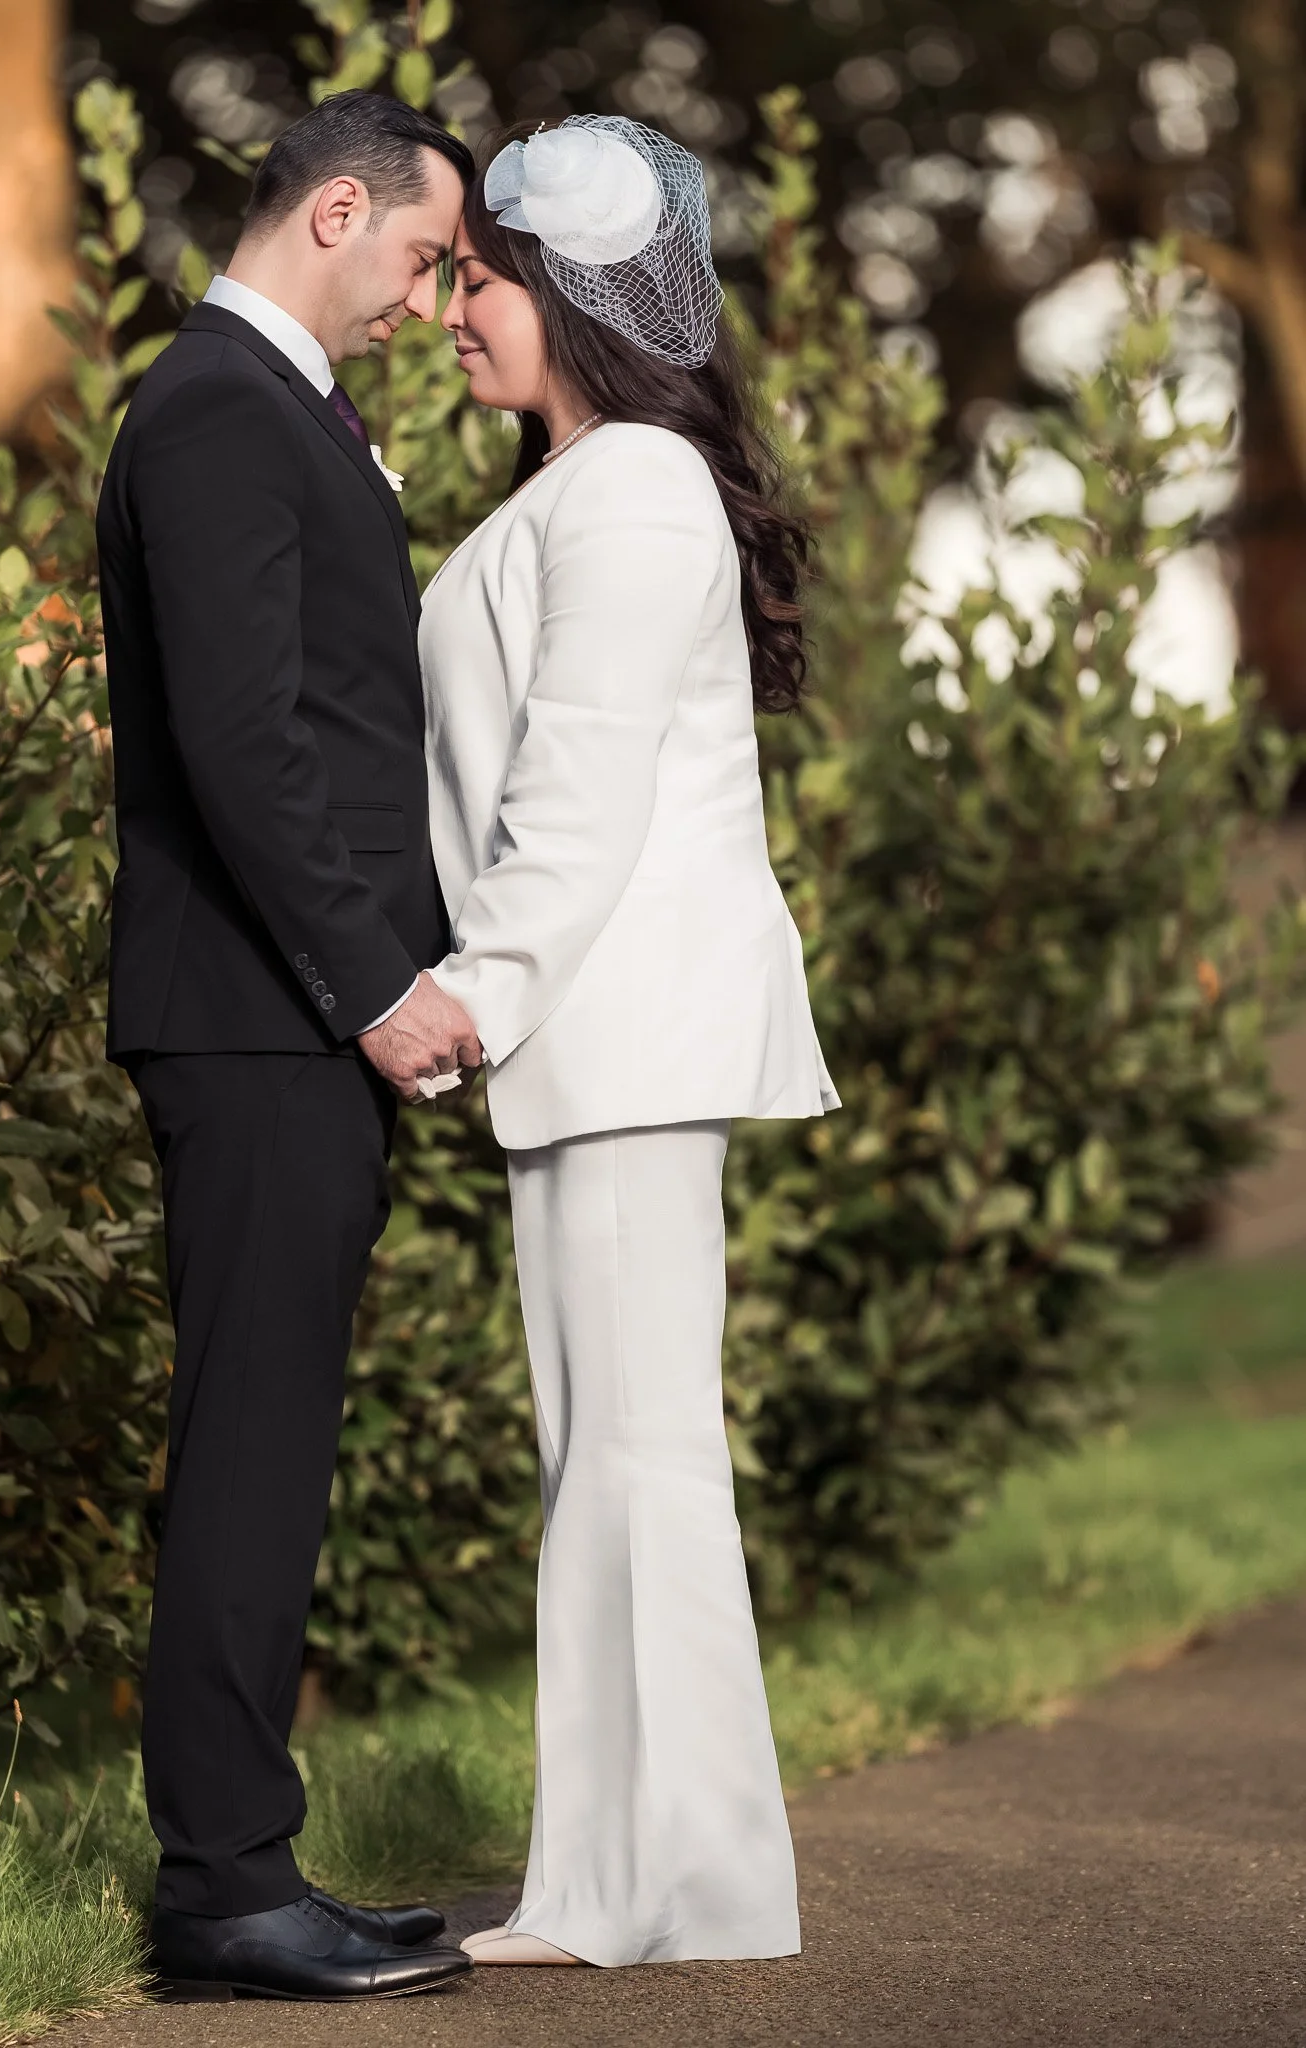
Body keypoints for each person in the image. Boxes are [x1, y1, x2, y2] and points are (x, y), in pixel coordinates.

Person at [419, 116, 839, 1968]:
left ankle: (671, 1887)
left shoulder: (636, 490)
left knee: (638, 1452)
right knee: (614, 1446)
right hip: (594, 1040)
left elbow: (575, 793)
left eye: (486, 279)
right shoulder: (582, 490)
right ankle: (625, 1881)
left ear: (580, 300)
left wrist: (470, 994)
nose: (453, 310)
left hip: (622, 1031)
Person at [96, 91, 483, 2003]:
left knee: (273, 1441)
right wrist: (372, 984)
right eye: (421, 255)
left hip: (277, 1019)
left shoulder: (268, 409)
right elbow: (247, 750)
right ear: (337, 209)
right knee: (251, 1446)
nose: (425, 300)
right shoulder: (216, 412)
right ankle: (227, 1890)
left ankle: (250, 1858)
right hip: (259, 1017)